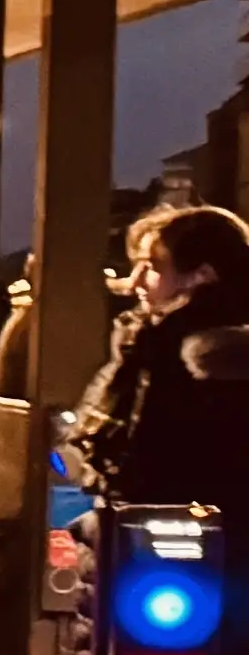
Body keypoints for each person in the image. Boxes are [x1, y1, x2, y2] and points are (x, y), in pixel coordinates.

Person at [79, 200, 249, 510]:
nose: (136, 282)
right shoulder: (150, 345)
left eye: (153, 266)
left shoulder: (195, 362)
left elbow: (147, 469)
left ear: (202, 275)